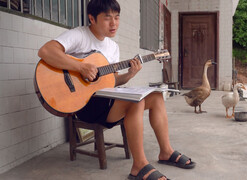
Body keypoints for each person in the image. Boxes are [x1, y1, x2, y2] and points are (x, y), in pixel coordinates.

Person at [38, 0, 195, 179]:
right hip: (84, 105)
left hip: (105, 101)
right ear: (92, 18)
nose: (114, 24)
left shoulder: (113, 47)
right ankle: (139, 166)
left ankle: (166, 151)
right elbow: (46, 51)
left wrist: (129, 75)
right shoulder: (79, 35)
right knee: (135, 102)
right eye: (107, 18)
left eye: (117, 17)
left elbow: (111, 81)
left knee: (156, 96)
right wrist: (80, 67)